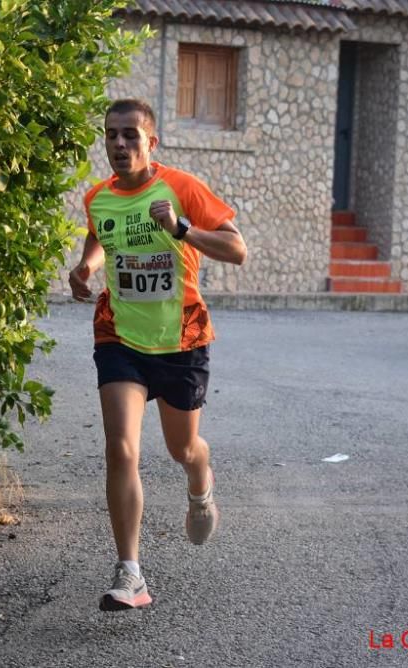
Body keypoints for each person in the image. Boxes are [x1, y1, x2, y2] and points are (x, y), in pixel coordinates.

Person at [68, 98, 247, 611]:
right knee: (121, 447)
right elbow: (103, 234)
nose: (119, 145)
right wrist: (85, 268)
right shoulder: (98, 197)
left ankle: (200, 477)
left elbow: (237, 249)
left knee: (181, 449)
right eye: (110, 135)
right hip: (119, 335)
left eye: (130, 135)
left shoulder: (181, 189)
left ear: (152, 142)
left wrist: (181, 230)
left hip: (181, 339)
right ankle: (131, 574)